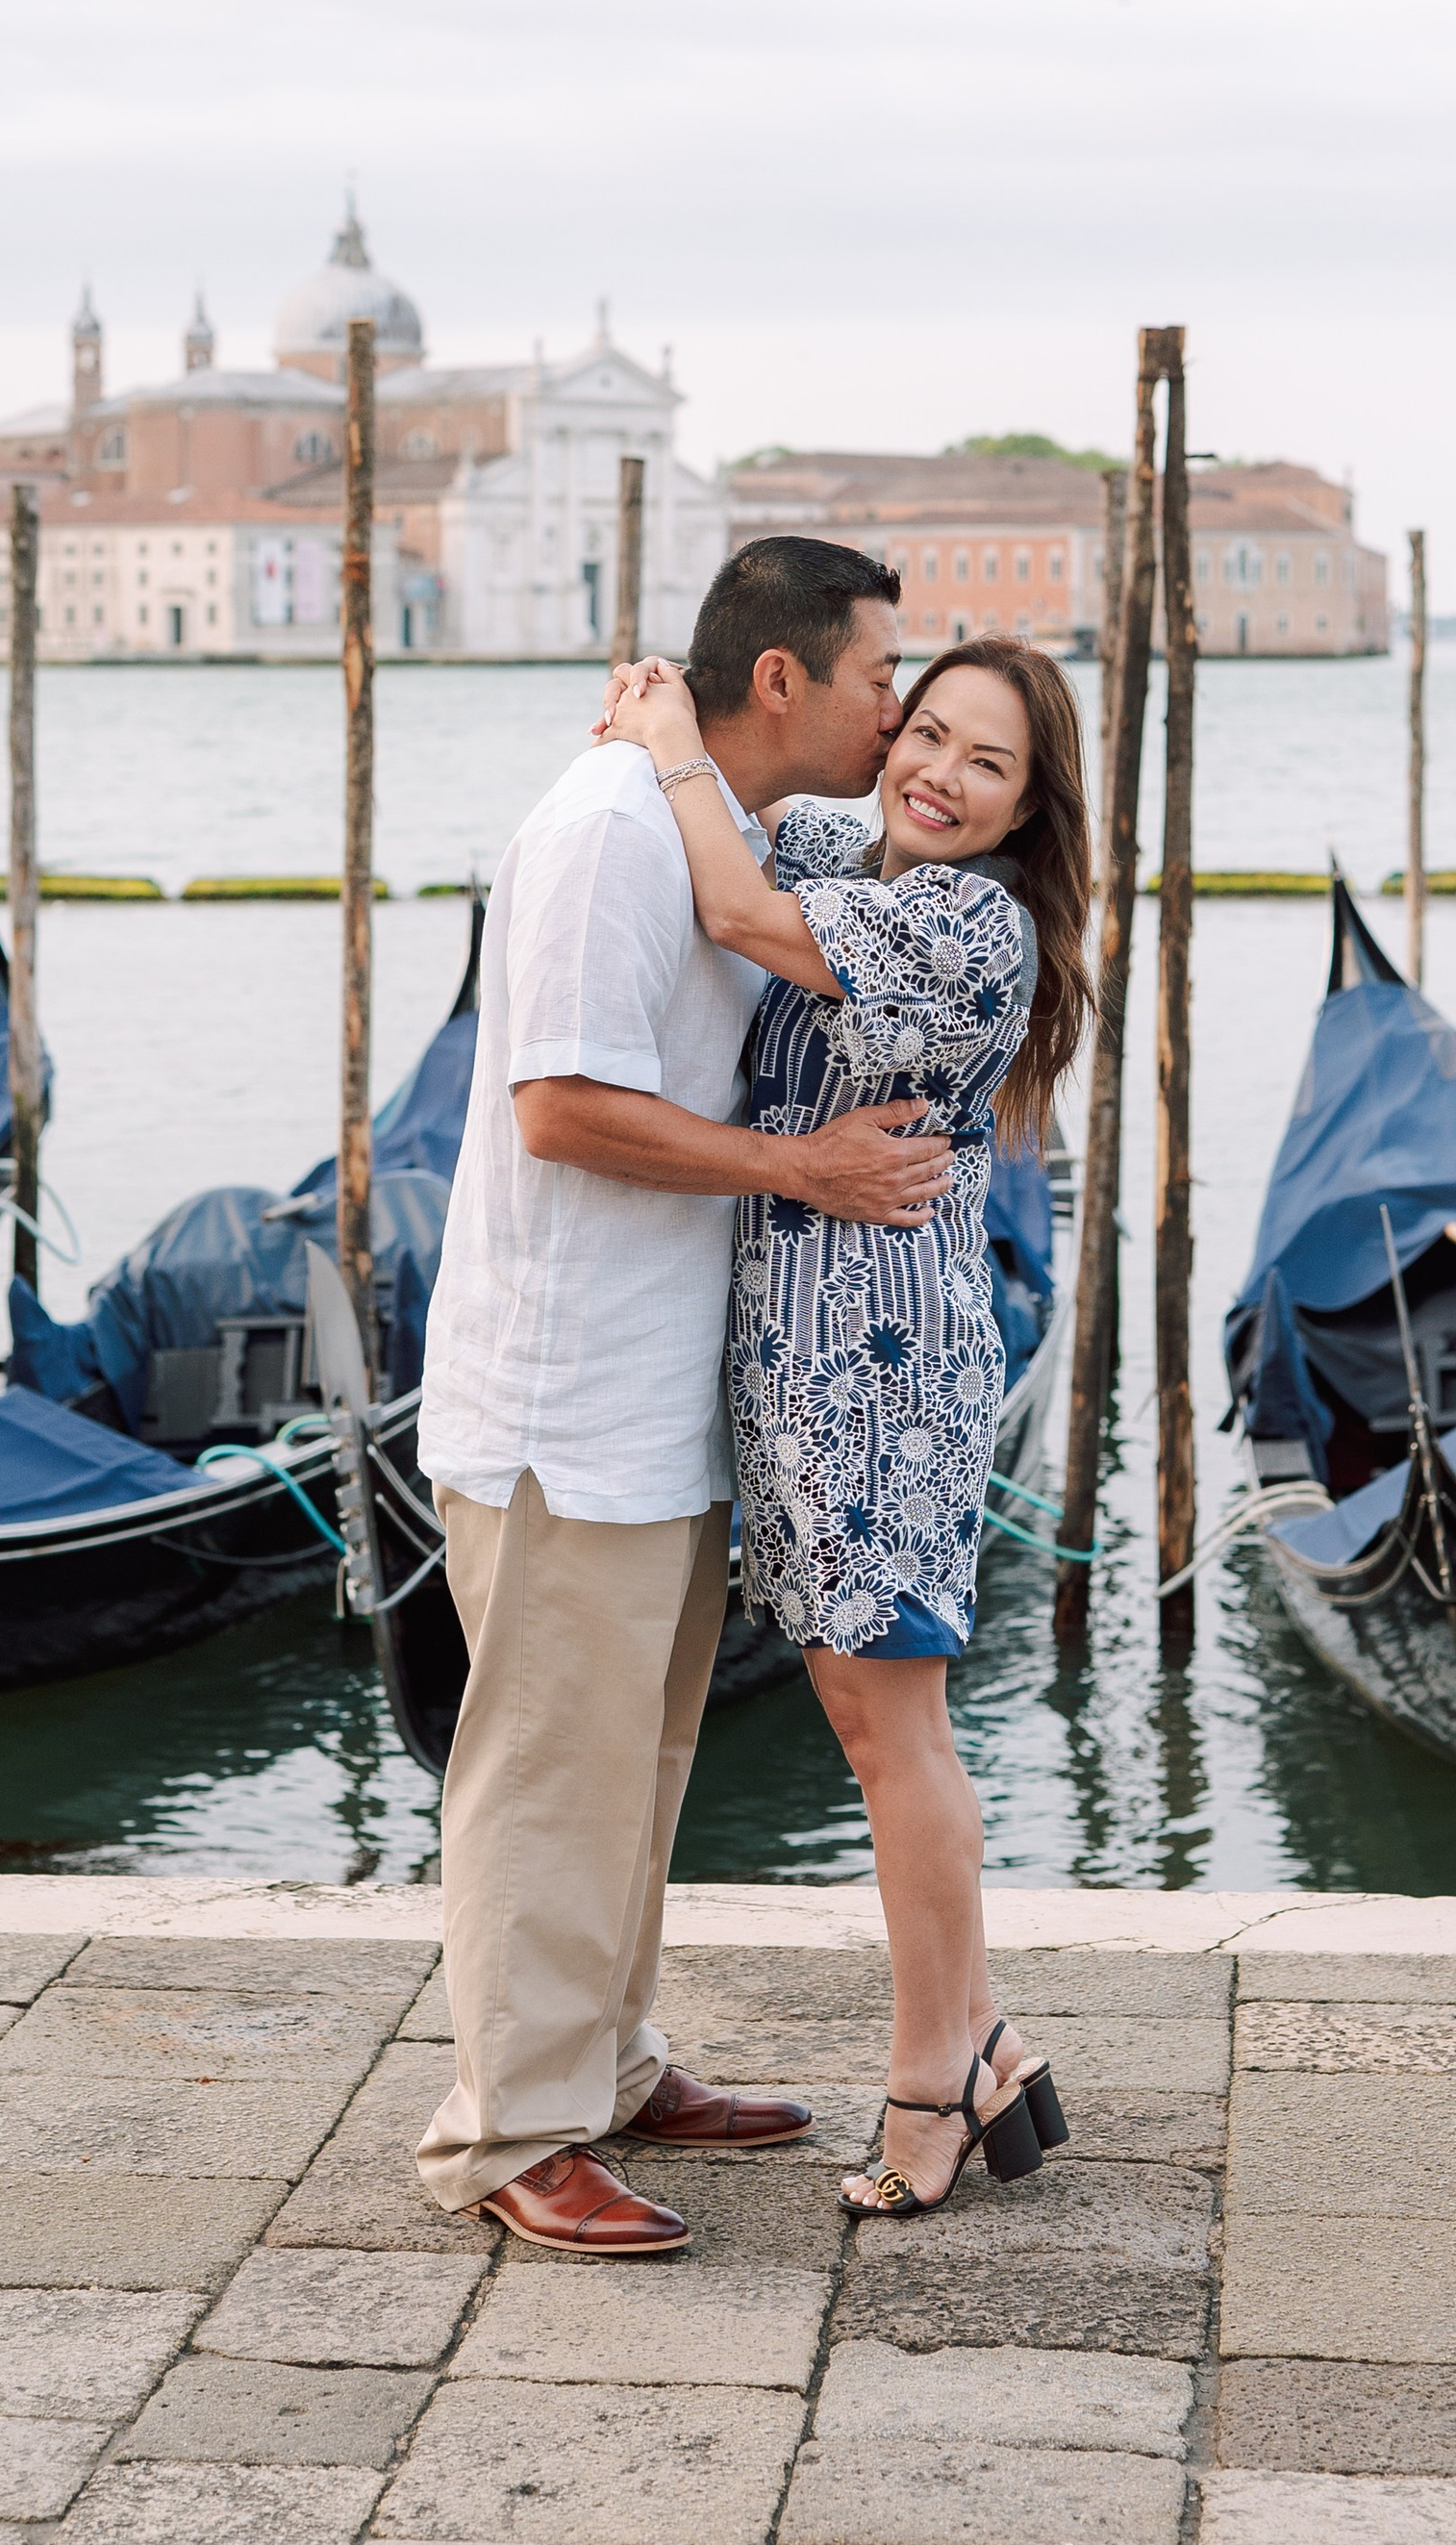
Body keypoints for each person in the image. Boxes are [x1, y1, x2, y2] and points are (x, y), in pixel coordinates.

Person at [413, 536, 953, 2255]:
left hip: (661, 1394)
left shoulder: (713, 821)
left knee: (636, 1767)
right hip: (562, 1395)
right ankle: (514, 2133)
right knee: (545, 1774)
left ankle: (613, 2062)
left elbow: (778, 916)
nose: (901, 713)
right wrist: (801, 1168)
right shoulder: (603, 836)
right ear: (784, 678)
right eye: (882, 677)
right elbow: (559, 1108)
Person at [604, 633, 1092, 2219]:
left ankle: (929, 2085)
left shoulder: (970, 922)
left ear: (1029, 810)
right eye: (927, 732)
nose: (938, 775)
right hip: (799, 1354)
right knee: (880, 1731)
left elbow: (738, 906)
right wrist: (659, 730)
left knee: (895, 1741)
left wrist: (670, 738)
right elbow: (756, 824)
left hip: (879, 1366)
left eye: (986, 763)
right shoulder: (852, 843)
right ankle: (982, 2042)